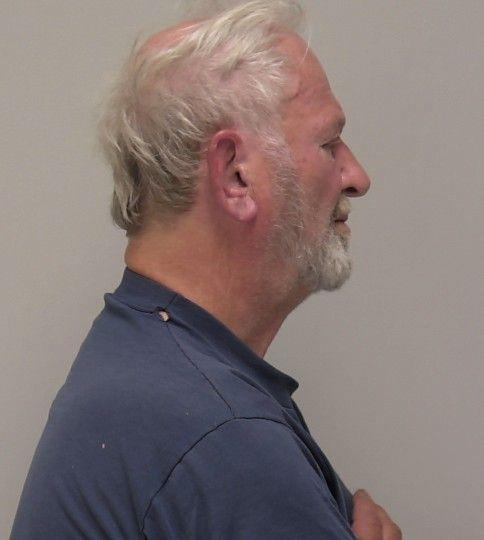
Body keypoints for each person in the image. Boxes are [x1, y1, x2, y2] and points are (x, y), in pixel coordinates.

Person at [11, 1, 402, 538]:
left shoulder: (137, 360)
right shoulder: (222, 435)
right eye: (328, 142)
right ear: (235, 175)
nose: (356, 176)